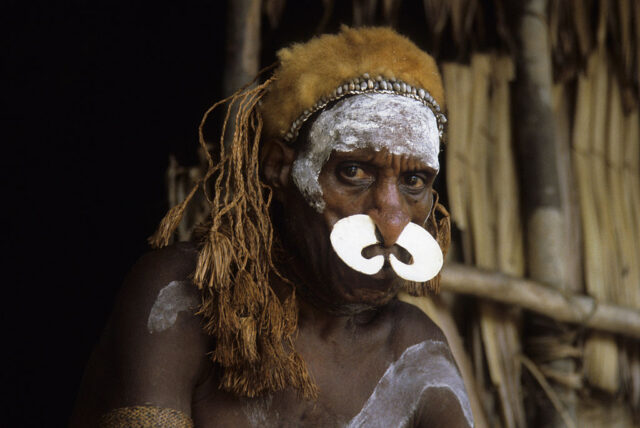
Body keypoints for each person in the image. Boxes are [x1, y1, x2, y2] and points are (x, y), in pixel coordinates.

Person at [71, 26, 474, 427]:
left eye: (414, 182)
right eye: (353, 172)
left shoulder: (416, 353)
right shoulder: (183, 297)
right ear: (279, 167)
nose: (391, 220)